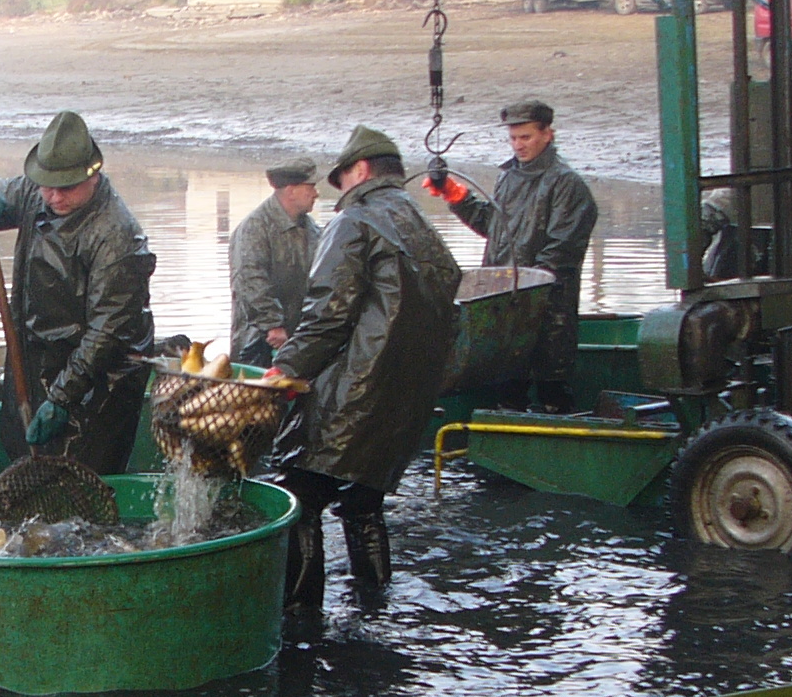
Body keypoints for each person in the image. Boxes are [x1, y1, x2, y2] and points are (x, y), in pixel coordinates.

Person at [268, 127, 463, 600]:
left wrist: (286, 367)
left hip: (355, 394)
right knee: (362, 502)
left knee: (300, 495)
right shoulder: (421, 224)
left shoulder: (354, 221)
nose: (341, 193)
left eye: (343, 180)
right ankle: (374, 604)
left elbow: (328, 314)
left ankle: (301, 624)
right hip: (406, 400)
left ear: (359, 170)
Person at [0, 111, 156, 471]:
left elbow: (107, 332)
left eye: (66, 187)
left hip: (101, 380)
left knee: (85, 470)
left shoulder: (117, 235)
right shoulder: (37, 195)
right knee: (25, 457)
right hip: (35, 357)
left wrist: (63, 397)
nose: (54, 196)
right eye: (47, 185)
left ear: (91, 176)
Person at [425, 99, 595, 412]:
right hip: (507, 307)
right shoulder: (508, 177)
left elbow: (562, 249)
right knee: (506, 390)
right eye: (513, 138)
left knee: (552, 390)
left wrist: (523, 288)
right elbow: (493, 225)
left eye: (526, 137)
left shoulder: (566, 184)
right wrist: (455, 194)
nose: (518, 145)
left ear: (548, 134)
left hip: (546, 309)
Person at [229, 155, 321, 368]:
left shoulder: (311, 229)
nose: (316, 193)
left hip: (296, 337)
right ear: (291, 191)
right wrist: (273, 325)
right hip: (257, 342)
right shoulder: (254, 228)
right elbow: (250, 280)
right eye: (310, 187)